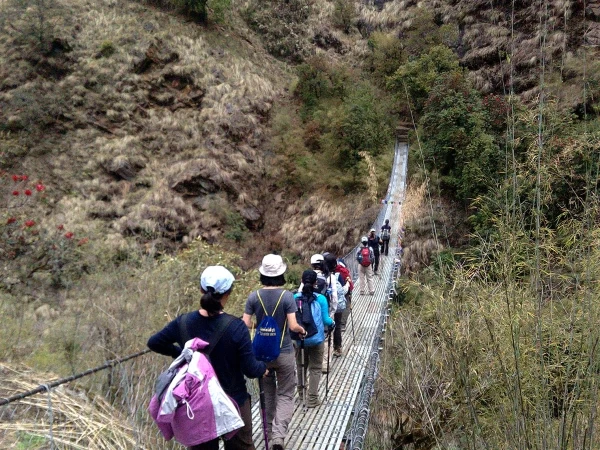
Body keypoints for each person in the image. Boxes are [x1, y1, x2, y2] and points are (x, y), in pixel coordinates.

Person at [147, 266, 268, 450]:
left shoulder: (183, 322)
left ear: (201, 290)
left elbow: (154, 342)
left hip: (196, 404)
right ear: (228, 293)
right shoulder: (236, 327)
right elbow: (251, 369)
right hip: (232, 399)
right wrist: (263, 368)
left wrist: (181, 353)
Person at [243, 254, 306, 450]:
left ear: (263, 274)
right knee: (286, 394)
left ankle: (269, 436)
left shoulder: (254, 296)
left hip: (261, 354)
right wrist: (302, 330)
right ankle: (279, 437)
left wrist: (260, 325)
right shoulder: (287, 296)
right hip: (284, 352)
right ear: (281, 274)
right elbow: (293, 325)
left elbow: (244, 323)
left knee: (268, 393)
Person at [293, 270, 334, 408]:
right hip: (317, 339)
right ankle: (312, 399)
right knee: (315, 368)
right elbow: (326, 320)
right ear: (316, 282)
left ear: (302, 281)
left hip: (300, 339)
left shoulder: (294, 298)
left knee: (300, 366)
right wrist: (332, 323)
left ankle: (301, 395)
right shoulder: (321, 298)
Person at [323, 253, 347, 357]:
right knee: (337, 326)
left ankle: (326, 352)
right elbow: (343, 290)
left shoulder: (322, 277)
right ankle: (338, 348)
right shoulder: (339, 275)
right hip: (339, 306)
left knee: (326, 328)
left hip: (327, 306)